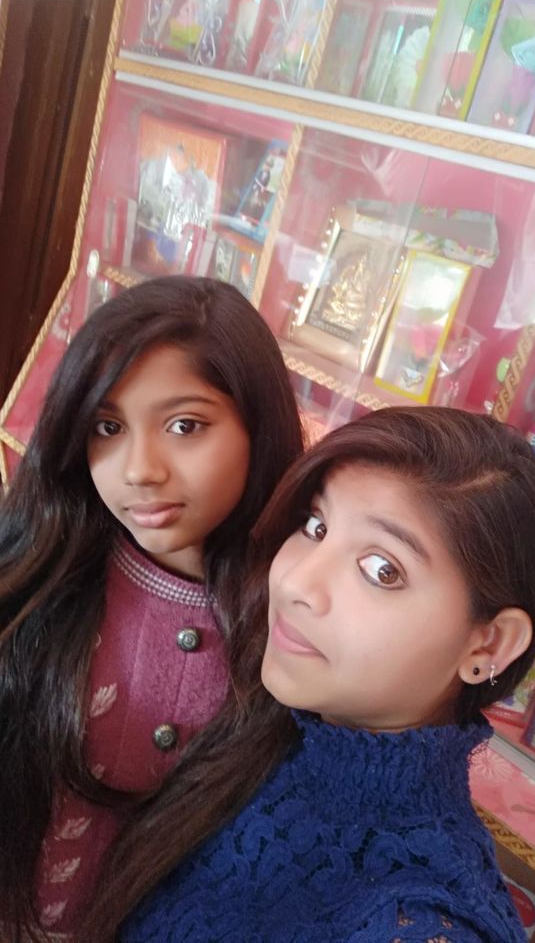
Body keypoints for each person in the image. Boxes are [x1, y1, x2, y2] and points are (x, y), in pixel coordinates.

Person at [86, 406, 535, 942]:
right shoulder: (275, 724)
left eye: (382, 570)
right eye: (316, 526)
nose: (295, 583)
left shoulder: (421, 919)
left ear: (488, 643)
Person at [0, 275, 303, 941]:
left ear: (258, 427)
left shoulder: (294, 625)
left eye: (184, 425)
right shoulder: (36, 578)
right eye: (107, 427)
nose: (139, 468)